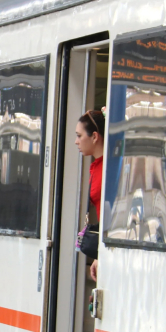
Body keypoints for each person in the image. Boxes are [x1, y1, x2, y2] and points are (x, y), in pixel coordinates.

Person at [75, 109, 104, 281]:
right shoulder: (96, 166)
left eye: (79, 136)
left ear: (94, 136)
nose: (76, 142)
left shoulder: (106, 167)